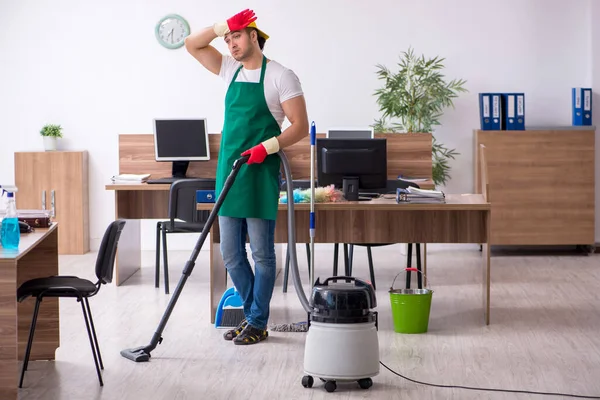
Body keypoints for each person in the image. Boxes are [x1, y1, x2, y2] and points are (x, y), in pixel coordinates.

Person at [184, 9, 309, 345]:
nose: (231, 44)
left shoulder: (281, 76)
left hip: (259, 171)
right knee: (231, 254)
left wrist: (267, 147)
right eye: (228, 39)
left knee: (263, 255)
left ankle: (255, 320)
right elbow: (191, 44)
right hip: (229, 171)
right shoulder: (229, 69)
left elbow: (299, 125)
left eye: (237, 36)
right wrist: (221, 26)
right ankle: (256, 316)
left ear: (254, 35)